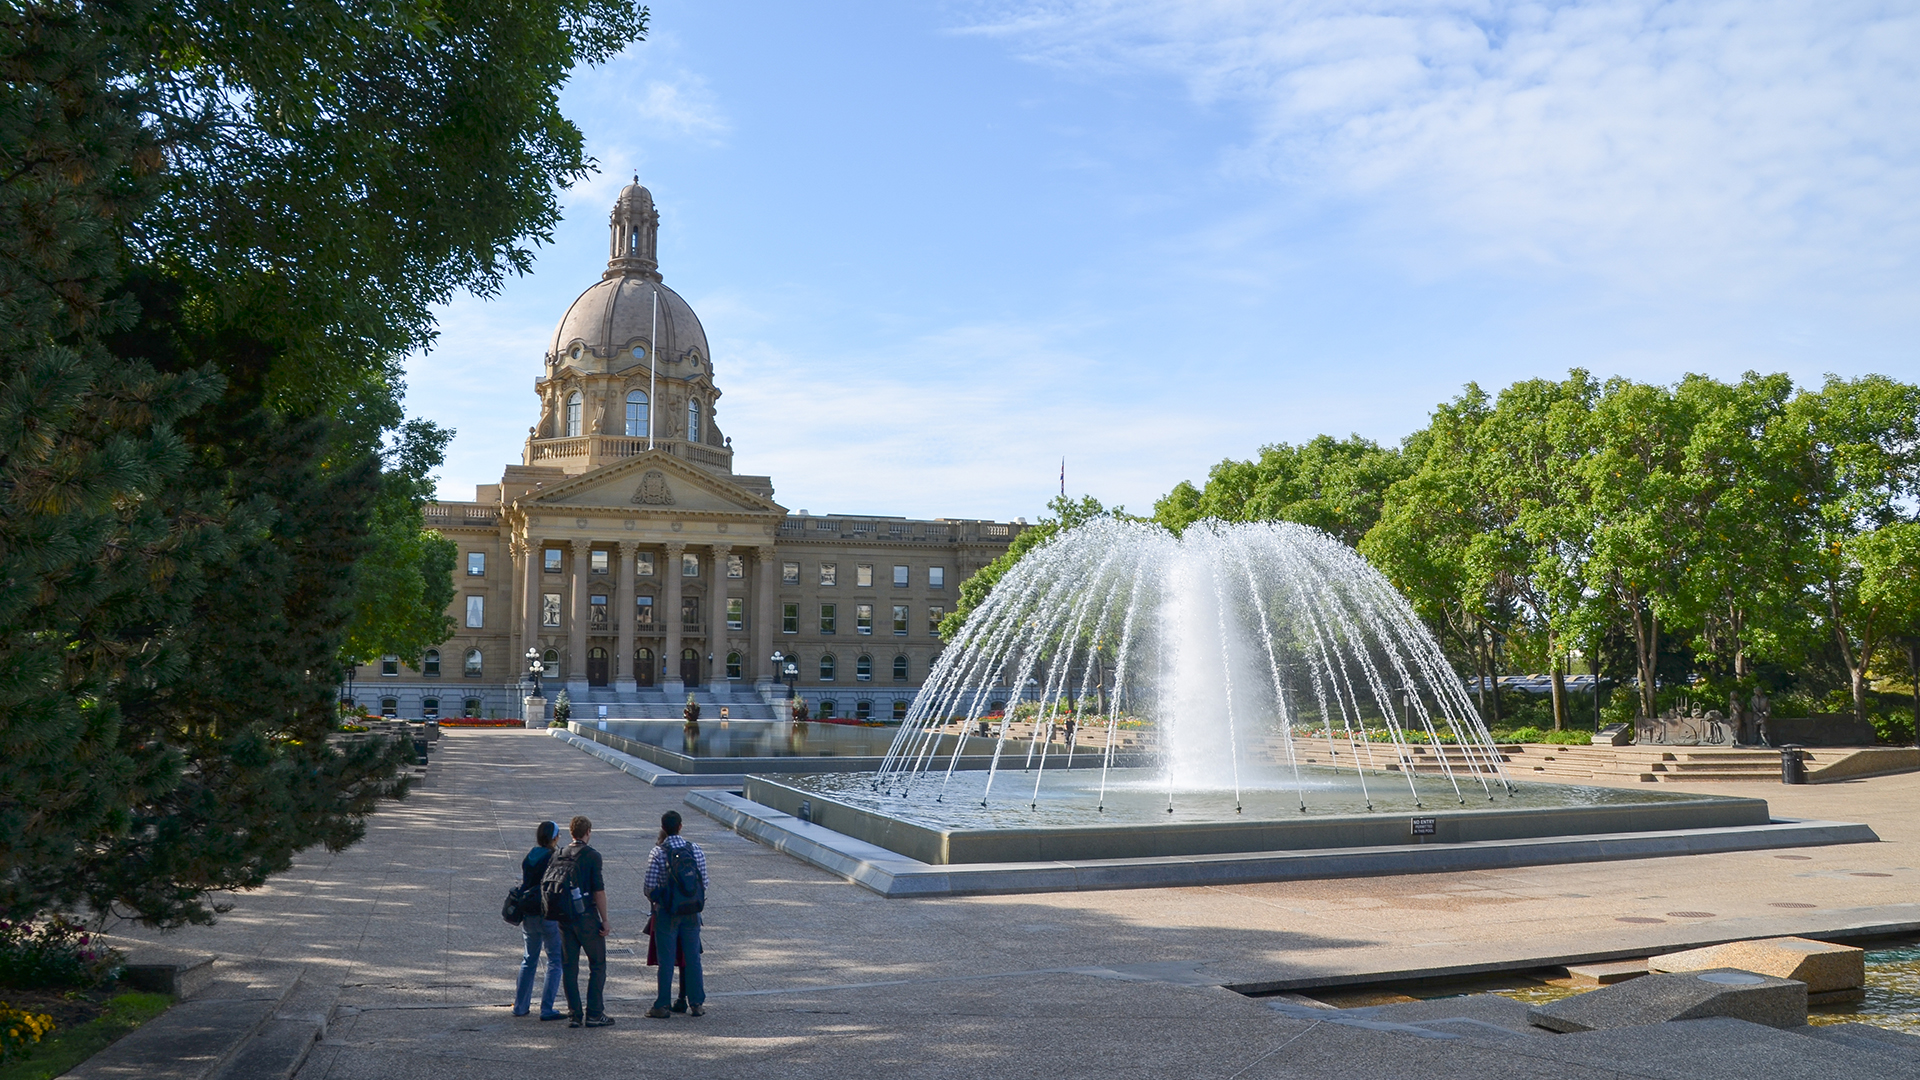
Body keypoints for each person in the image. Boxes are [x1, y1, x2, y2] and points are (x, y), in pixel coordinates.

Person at [643, 810, 709, 1019]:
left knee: (666, 960)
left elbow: (649, 886)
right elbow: (704, 882)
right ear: (681, 826)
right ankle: (696, 1003)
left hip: (667, 912)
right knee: (692, 958)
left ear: (663, 828)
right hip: (691, 912)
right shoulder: (695, 849)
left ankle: (662, 1005)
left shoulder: (658, 852)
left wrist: (660, 900)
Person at [556, 815, 612, 1028]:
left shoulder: (559, 854)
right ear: (588, 832)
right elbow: (599, 891)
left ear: (571, 833)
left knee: (569, 966)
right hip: (586, 917)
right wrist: (605, 920)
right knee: (597, 964)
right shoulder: (592, 856)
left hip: (564, 918)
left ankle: (574, 1014)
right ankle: (595, 1013)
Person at [513, 821, 565, 1020]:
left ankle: (520, 1006)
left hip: (529, 912)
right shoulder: (553, 857)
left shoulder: (530, 856)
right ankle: (547, 1008)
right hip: (547, 913)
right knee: (555, 960)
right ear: (553, 837)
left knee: (529, 959)